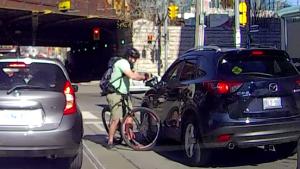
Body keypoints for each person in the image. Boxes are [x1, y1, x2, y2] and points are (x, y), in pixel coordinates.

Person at [106, 47, 148, 149]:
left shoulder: (128, 64)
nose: (135, 60)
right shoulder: (122, 63)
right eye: (134, 58)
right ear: (129, 57)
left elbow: (135, 73)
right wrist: (144, 77)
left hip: (124, 94)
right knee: (116, 119)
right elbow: (132, 76)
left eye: (136, 59)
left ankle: (129, 139)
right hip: (115, 93)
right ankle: (110, 140)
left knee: (130, 116)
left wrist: (146, 75)